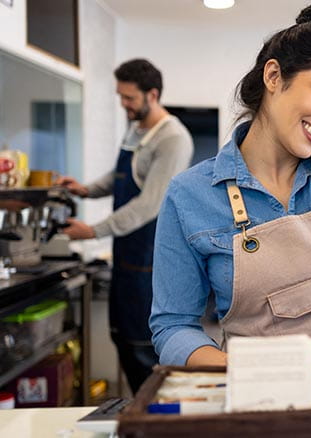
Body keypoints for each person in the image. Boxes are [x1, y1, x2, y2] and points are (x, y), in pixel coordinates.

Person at [149, 5, 311, 392]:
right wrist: (242, 374)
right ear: (274, 76)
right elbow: (172, 326)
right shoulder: (189, 195)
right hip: (256, 404)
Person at [57, 59, 194, 393]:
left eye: (129, 98)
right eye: (121, 97)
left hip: (151, 258)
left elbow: (149, 204)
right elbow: (118, 177)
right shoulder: (137, 129)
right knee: (121, 338)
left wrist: (92, 230)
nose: (124, 105)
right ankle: (141, 413)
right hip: (126, 255)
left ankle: (159, 419)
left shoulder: (173, 138)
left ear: (152, 94)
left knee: (144, 349)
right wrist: (86, 189)